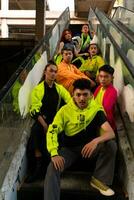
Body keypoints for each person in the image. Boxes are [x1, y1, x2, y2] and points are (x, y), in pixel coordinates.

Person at [44, 78, 117, 200]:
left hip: (89, 150)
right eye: (78, 95)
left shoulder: (96, 109)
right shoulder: (64, 111)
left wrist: (95, 141)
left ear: (90, 95)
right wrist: (54, 153)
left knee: (111, 145)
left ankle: (98, 180)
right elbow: (52, 130)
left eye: (85, 95)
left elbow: (110, 133)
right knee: (52, 167)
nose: (82, 98)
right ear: (73, 94)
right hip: (69, 150)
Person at [26, 61, 71, 183]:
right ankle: (38, 166)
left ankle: (55, 168)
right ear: (45, 72)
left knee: (60, 136)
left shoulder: (59, 88)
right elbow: (34, 109)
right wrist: (44, 125)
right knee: (36, 132)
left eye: (55, 71)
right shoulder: (38, 89)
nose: (53, 73)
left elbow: (69, 101)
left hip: (56, 121)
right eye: (51, 70)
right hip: (42, 120)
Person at [94, 65, 118, 132]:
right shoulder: (99, 87)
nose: (103, 79)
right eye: (101, 76)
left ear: (112, 78)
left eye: (106, 77)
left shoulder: (112, 92)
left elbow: (106, 112)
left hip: (104, 126)